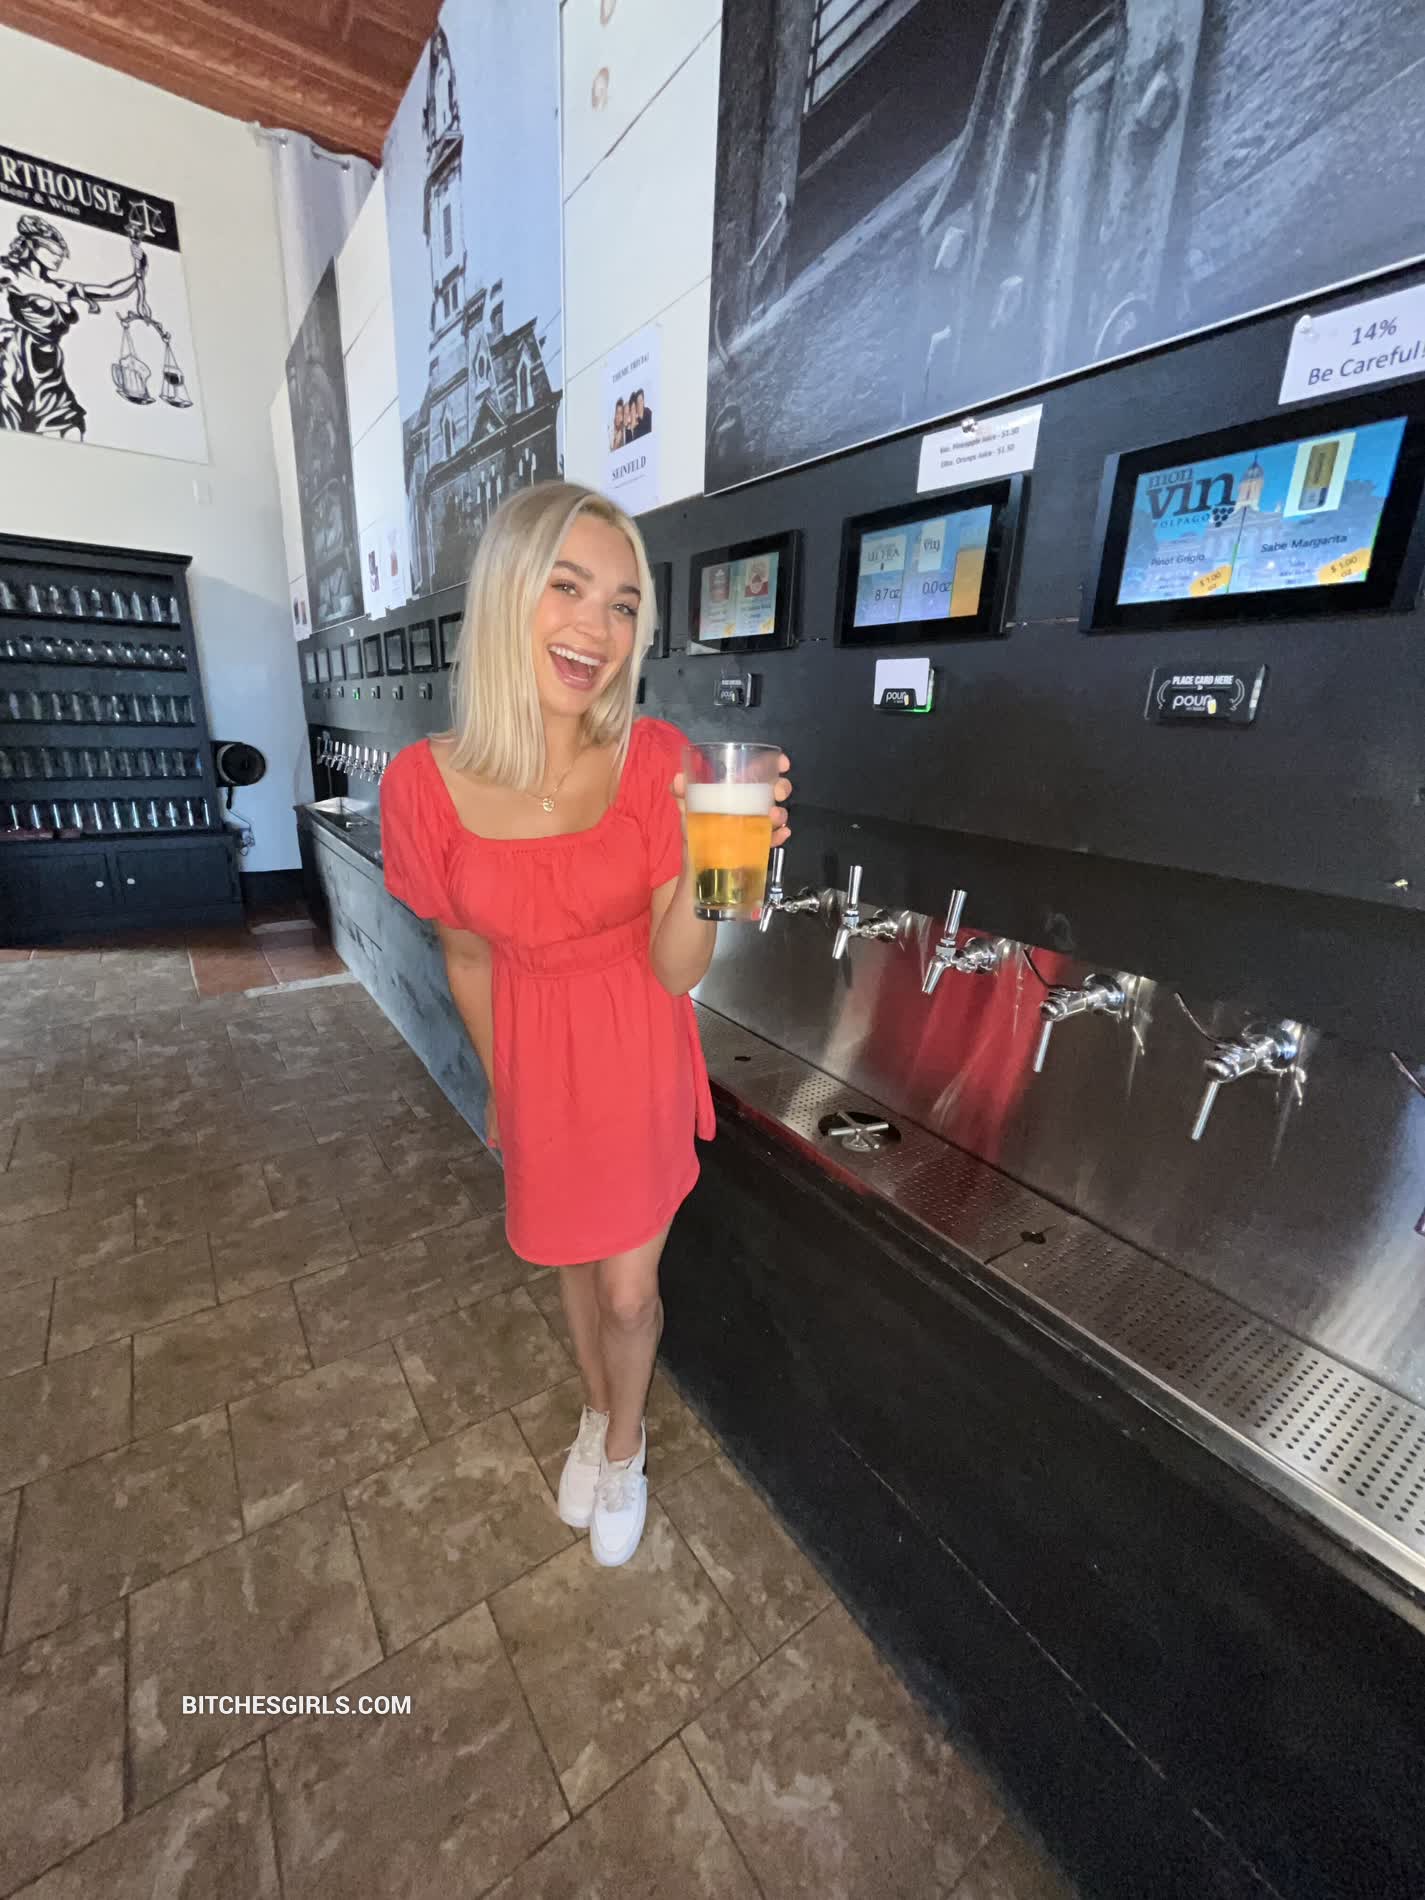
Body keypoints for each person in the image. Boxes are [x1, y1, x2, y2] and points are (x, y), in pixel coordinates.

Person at [379, 482, 792, 1567]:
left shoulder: (656, 760)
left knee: (626, 1284)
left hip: (635, 1041)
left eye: (622, 605)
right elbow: (468, 955)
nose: (596, 629)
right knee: (570, 1254)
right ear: (508, 593)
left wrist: (720, 869)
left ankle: (623, 1440)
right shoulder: (422, 785)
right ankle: (594, 1405)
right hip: (532, 1053)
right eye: (567, 588)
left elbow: (674, 968)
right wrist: (502, 1088)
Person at [0, 214, 147, 438]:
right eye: (53, 250)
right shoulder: (11, 279)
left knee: (71, 428)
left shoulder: (62, 288)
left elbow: (110, 291)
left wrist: (140, 268)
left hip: (51, 368)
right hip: (19, 365)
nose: (59, 258)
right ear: (31, 245)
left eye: (61, 254)